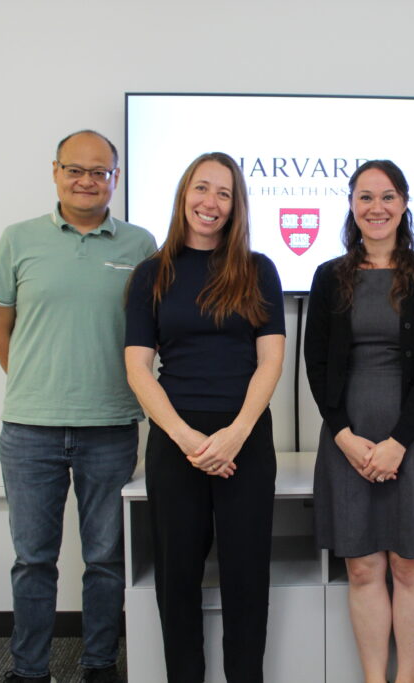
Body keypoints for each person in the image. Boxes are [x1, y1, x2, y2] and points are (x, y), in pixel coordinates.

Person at [0, 130, 157, 683]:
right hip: (28, 430)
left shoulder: (140, 245)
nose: (86, 181)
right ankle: (29, 669)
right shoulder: (18, 239)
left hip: (110, 427)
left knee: (105, 558)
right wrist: (39, 383)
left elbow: (152, 331)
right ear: (56, 171)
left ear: (115, 178)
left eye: (99, 172)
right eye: (74, 170)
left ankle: (99, 664)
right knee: (33, 559)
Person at [124, 152, 286, 683]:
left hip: (245, 437)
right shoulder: (151, 273)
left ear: (236, 206)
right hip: (176, 439)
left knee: (246, 579)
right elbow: (138, 368)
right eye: (201, 188)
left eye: (224, 193)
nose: (210, 202)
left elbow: (270, 361)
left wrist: (235, 434)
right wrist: (187, 438)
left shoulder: (258, 269)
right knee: (177, 580)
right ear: (183, 194)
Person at [306, 160, 414, 683]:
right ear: (352, 205)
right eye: (366, 197)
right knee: (362, 567)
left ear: (404, 203)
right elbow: (316, 364)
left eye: (388, 196)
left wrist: (397, 443)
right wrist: (343, 436)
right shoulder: (329, 277)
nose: (377, 207)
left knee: (409, 566)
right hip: (348, 436)